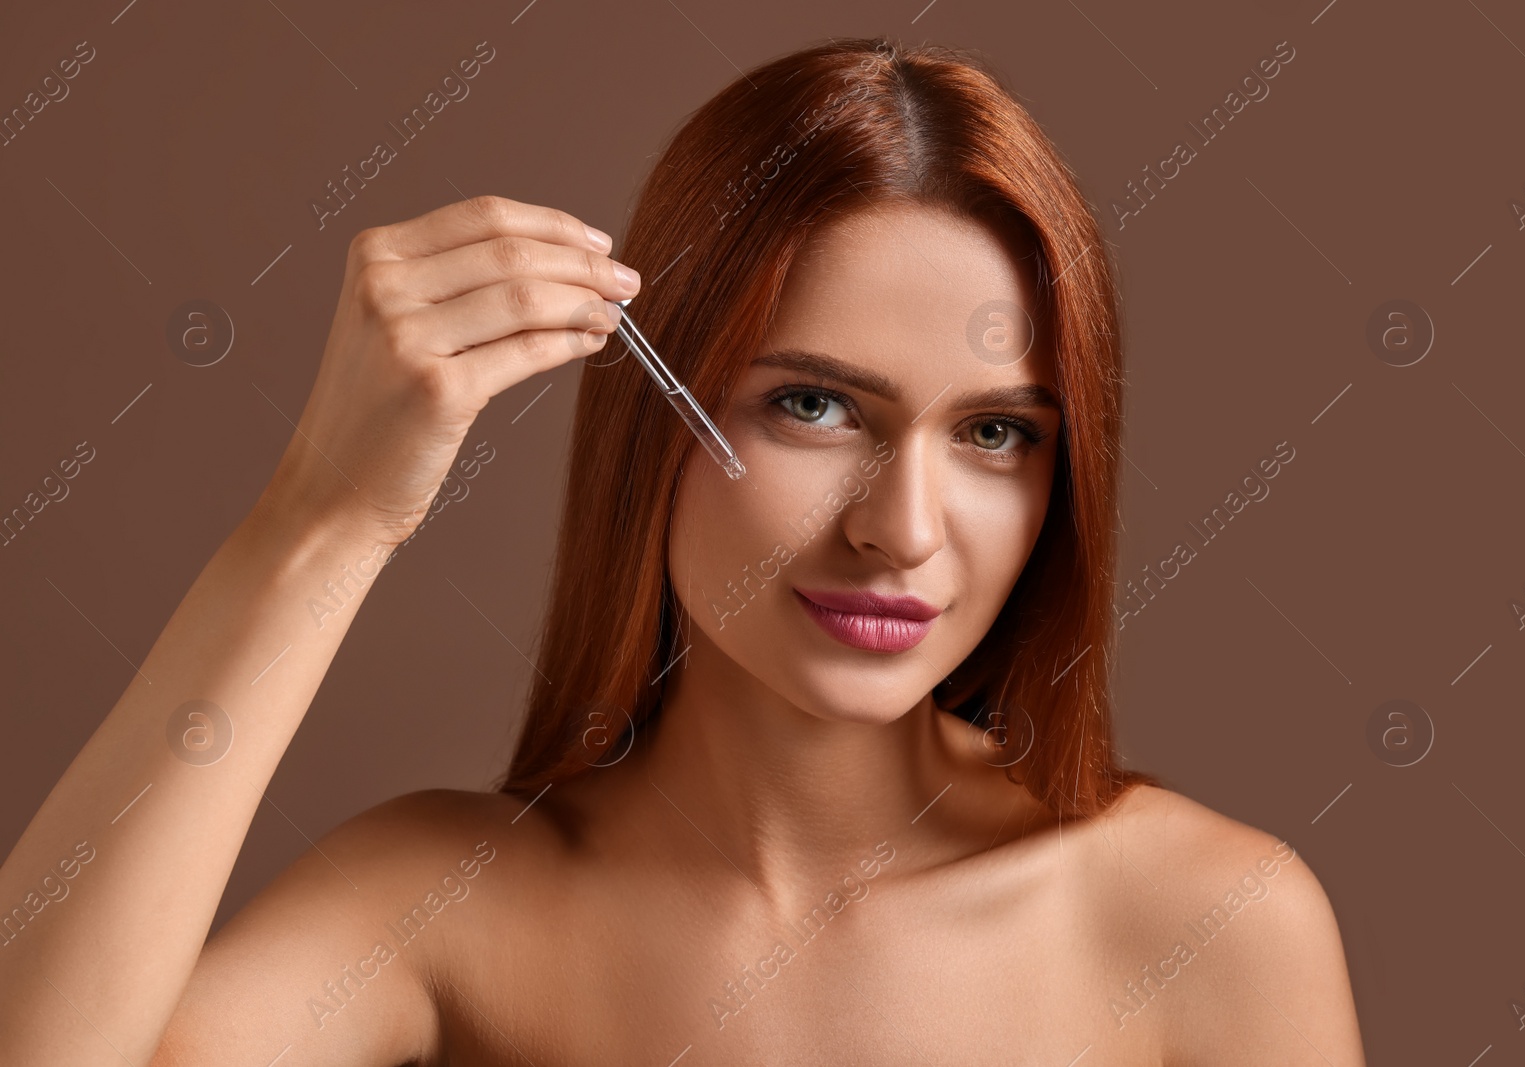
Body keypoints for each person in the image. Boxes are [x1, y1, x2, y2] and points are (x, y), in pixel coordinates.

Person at [0, 36, 1365, 1066]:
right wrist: (321, 515)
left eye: (997, 432)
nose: (903, 529)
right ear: (653, 421)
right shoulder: (445, 902)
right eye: (813, 406)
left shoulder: (1206, 921)